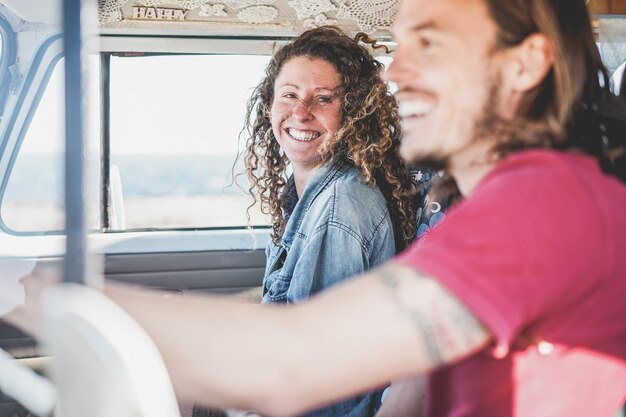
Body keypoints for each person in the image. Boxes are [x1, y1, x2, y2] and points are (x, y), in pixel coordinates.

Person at [4, 0, 626, 416]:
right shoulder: (481, 210)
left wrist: (26, 293)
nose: (396, 71)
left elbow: (291, 361)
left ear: (525, 65)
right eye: (399, 44)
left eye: (429, 43)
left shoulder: (543, 206)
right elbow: (409, 387)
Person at [234, 26, 417, 417]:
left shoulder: (338, 207)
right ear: (270, 104)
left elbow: (319, 375)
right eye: (289, 95)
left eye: (323, 99)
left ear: (351, 113)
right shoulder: (310, 191)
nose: (300, 112)